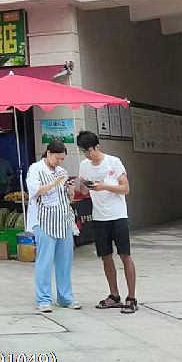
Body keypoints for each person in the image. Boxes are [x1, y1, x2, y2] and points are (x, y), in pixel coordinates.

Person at [77, 131, 137, 314]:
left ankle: (131, 297)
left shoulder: (113, 162)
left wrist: (105, 186)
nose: (87, 155)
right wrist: (84, 184)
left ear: (97, 147)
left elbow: (125, 188)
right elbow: (84, 192)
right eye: (83, 151)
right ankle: (114, 295)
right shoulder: (84, 166)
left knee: (125, 255)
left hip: (118, 215)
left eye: (89, 150)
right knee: (105, 256)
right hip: (99, 217)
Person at [27, 142, 80, 313]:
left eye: (62, 159)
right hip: (44, 221)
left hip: (63, 220)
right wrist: (54, 182)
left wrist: (70, 190)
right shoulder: (36, 169)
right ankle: (43, 299)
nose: (59, 162)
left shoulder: (62, 171)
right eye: (57, 158)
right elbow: (34, 190)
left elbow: (68, 198)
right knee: (45, 261)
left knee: (65, 261)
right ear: (48, 153)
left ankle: (65, 296)